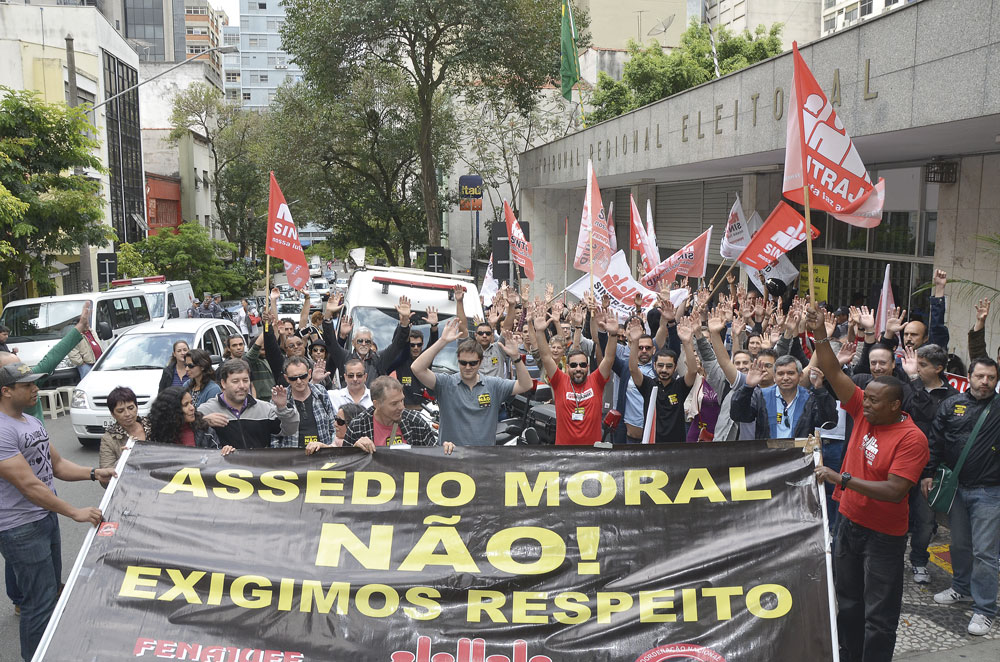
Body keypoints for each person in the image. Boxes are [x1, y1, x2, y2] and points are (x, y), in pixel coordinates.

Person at [808, 306, 929, 662]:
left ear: (895, 405)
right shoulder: (864, 408)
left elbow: (895, 490)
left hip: (884, 537)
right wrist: (820, 334)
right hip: (849, 523)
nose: (866, 405)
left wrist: (842, 478)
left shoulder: (912, 438)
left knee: (879, 615)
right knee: (848, 603)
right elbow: (833, 372)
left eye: (874, 401)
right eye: (867, 398)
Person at [0, 362, 115, 661]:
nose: (35, 389)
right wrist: (74, 511)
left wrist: (94, 473)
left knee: (51, 593)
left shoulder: (30, 421)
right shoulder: (2, 430)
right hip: (20, 528)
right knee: (37, 603)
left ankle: (48, 650)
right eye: (27, 385)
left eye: (34, 383)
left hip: (44, 517)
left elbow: (58, 465)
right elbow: (28, 485)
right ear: (6, 391)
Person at [923, 357, 1000, 636]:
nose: (985, 382)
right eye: (980, 376)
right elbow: (936, 441)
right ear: (969, 376)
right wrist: (928, 473)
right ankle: (961, 588)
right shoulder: (951, 405)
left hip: (989, 491)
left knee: (985, 553)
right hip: (956, 488)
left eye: (991, 377)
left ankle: (985, 609)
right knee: (959, 545)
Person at [411, 317, 531, 446]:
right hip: (451, 455)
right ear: (458, 361)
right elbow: (417, 368)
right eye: (463, 363)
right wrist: (442, 341)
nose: (468, 367)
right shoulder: (445, 383)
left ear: (480, 362)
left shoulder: (494, 385)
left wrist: (516, 357)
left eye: (473, 363)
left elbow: (526, 385)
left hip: (482, 455)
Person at [899, 344, 958, 585]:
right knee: (897, 516)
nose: (917, 368)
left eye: (922, 365)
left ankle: (919, 561)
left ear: (939, 368)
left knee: (924, 521)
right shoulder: (908, 388)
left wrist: (931, 471)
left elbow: (930, 416)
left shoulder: (952, 397)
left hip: (929, 469)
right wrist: (913, 380)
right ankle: (892, 558)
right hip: (902, 465)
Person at [530, 303, 617, 445]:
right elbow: (546, 357)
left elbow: (609, 358)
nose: (578, 368)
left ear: (587, 367)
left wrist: (613, 335)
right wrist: (539, 331)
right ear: (567, 367)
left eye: (582, 365)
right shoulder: (559, 380)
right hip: (564, 453)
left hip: (592, 452)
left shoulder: (596, 380)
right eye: (574, 365)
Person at [730, 354, 838, 440]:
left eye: (790, 373)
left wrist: (820, 389)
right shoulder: (761, 395)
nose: (785, 378)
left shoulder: (810, 398)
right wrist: (748, 387)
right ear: (774, 377)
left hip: (800, 456)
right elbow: (739, 416)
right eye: (781, 374)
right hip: (768, 455)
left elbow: (829, 423)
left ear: (800, 376)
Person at [198, 359, 298, 451]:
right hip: (222, 464)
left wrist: (282, 408)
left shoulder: (265, 409)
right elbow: (191, 437)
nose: (242, 386)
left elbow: (290, 430)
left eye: (245, 380)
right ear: (223, 383)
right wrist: (204, 421)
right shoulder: (207, 410)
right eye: (235, 381)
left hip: (258, 464)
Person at [627, 316, 699, 443]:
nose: (664, 370)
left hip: (676, 446)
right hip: (652, 444)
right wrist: (635, 342)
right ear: (654, 365)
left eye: (669, 366)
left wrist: (687, 342)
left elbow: (693, 371)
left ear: (675, 368)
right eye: (660, 365)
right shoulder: (649, 385)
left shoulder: (679, 386)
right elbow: (633, 369)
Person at [344, 376, 453, 453]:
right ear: (376, 404)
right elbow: (344, 464)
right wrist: (355, 450)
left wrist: (446, 449)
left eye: (402, 400)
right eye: (394, 404)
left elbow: (434, 458)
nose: (401, 407)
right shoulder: (358, 426)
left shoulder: (415, 422)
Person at [283, 356, 337, 449]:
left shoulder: (321, 392)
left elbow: (333, 425)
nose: (299, 381)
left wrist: (330, 447)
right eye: (293, 378)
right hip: (293, 455)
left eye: (302, 376)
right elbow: (274, 435)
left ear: (309, 373)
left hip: (322, 452)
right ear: (286, 378)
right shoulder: (281, 398)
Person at [146, 386, 220, 449]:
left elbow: (216, 456)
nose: (192, 408)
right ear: (172, 410)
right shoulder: (157, 434)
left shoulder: (206, 432)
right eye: (185, 405)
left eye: (191, 403)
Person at [98, 387, 150, 469]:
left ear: (137, 407)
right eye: (120, 411)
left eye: (131, 408)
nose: (127, 414)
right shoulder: (108, 439)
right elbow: (105, 473)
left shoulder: (152, 426)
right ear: (113, 414)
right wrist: (123, 459)